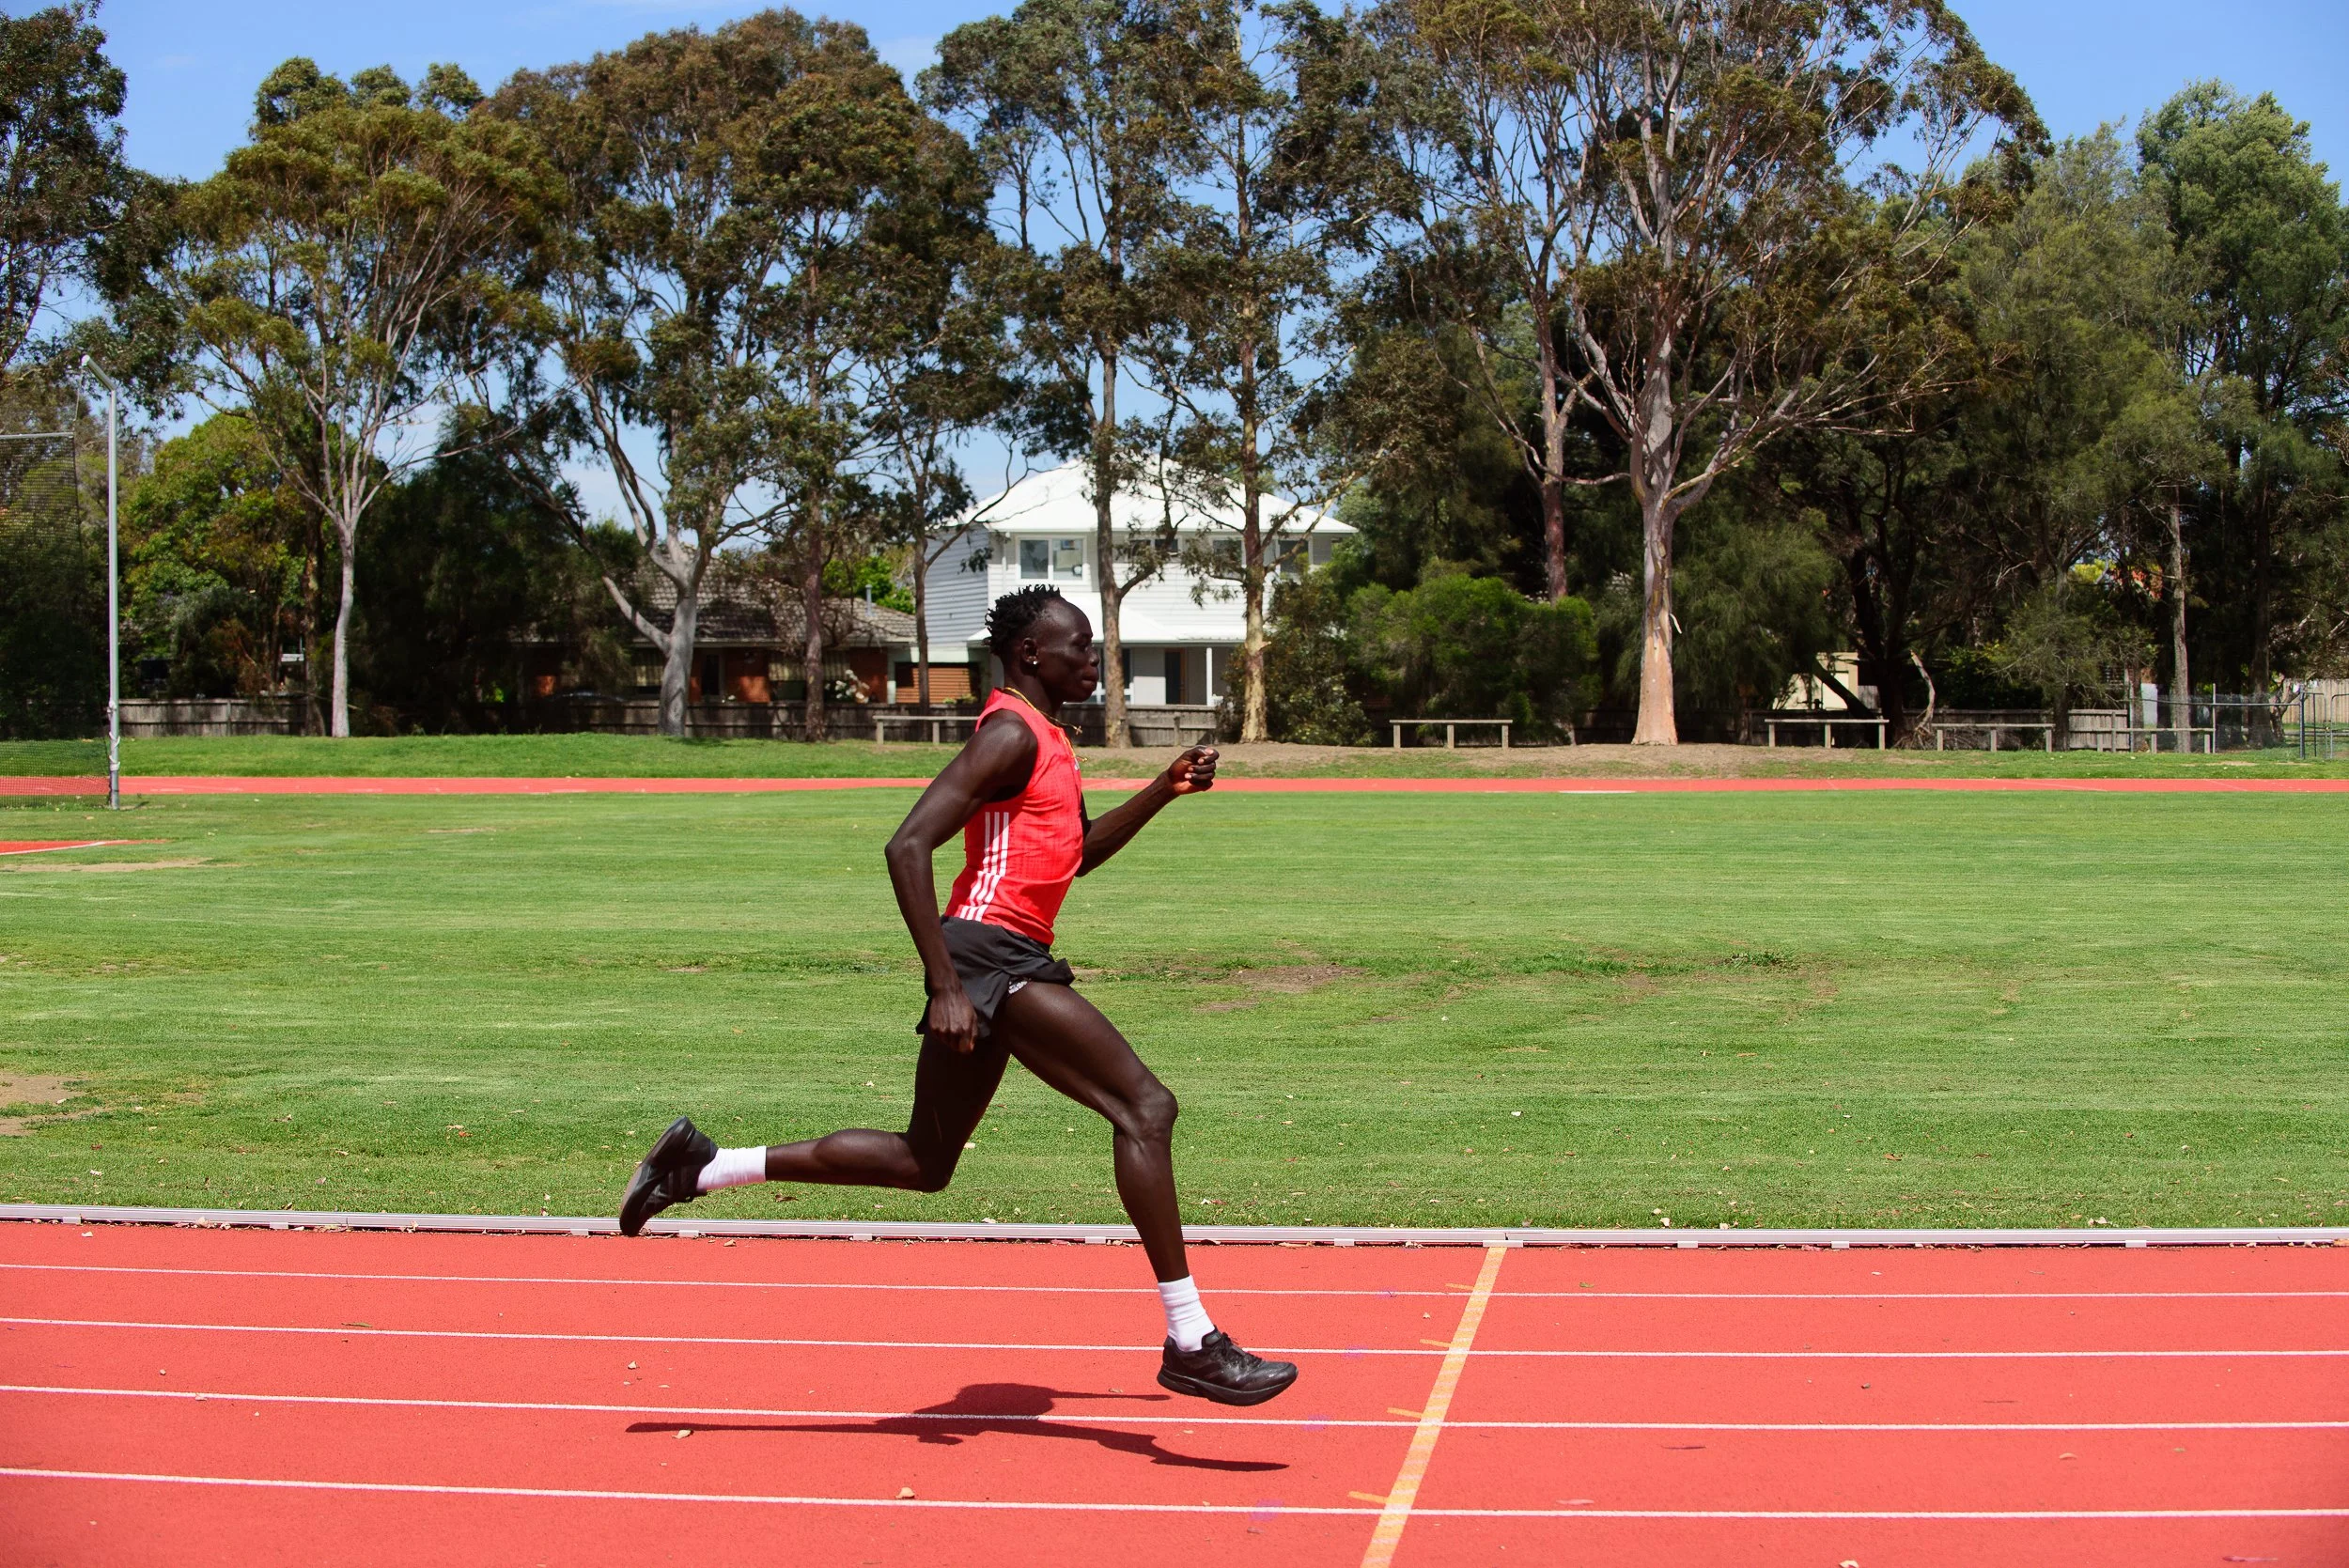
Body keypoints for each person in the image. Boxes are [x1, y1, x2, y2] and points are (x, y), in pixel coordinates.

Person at [617, 584, 1298, 1407]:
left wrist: (1164, 789)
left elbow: (1073, 852)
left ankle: (701, 1168)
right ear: (1031, 656)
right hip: (988, 957)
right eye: (1080, 648)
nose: (1093, 660)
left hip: (1000, 957)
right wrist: (946, 984)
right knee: (1145, 1107)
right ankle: (1191, 1336)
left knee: (924, 1159)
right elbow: (907, 844)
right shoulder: (1010, 732)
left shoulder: (1044, 736)